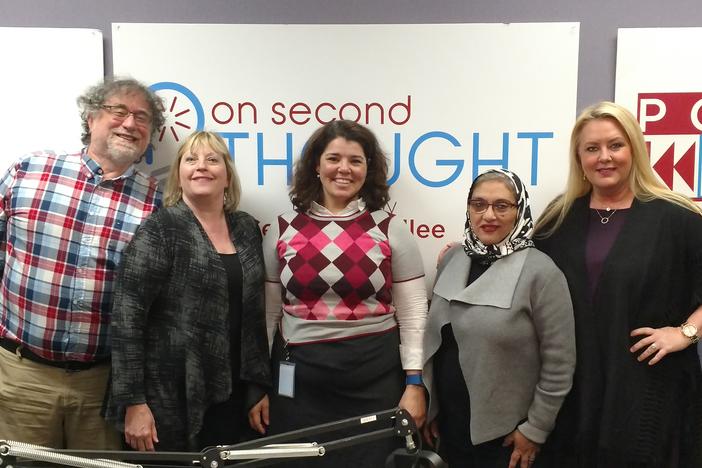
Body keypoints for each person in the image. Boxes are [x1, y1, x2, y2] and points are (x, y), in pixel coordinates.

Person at [534, 101, 702, 468]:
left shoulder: (677, 216)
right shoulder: (559, 218)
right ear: (579, 158)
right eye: (592, 148)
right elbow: (519, 268)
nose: (604, 157)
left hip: (650, 387)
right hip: (574, 391)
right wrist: (466, 253)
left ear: (635, 149)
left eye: (615, 145)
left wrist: (687, 332)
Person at [0, 78, 164, 449]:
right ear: (91, 118)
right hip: (21, 378)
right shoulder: (30, 171)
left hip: (103, 388)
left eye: (142, 117)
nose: (129, 123)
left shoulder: (157, 203)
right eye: (118, 111)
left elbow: (156, 307)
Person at [261, 120, 428, 467]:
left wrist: (415, 384)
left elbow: (413, 314)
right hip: (299, 389)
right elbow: (269, 313)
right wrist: (259, 385)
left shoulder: (389, 228)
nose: (344, 169)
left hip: (375, 384)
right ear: (316, 166)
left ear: (369, 169)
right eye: (334, 158)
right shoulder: (282, 228)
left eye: (356, 160)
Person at [105, 131, 271, 451]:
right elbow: (127, 317)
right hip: (166, 399)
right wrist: (133, 402)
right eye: (191, 160)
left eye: (212, 159)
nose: (201, 167)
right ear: (179, 176)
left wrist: (257, 387)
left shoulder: (246, 228)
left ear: (227, 176)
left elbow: (253, 315)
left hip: (234, 394)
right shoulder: (161, 229)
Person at [422, 169, 576, 468]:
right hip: (450, 427)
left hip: (506, 437)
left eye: (502, 206)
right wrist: (434, 408)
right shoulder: (454, 259)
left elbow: (560, 362)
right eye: (478, 204)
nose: (488, 215)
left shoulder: (541, 273)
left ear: (520, 210)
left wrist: (536, 428)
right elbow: (440, 341)